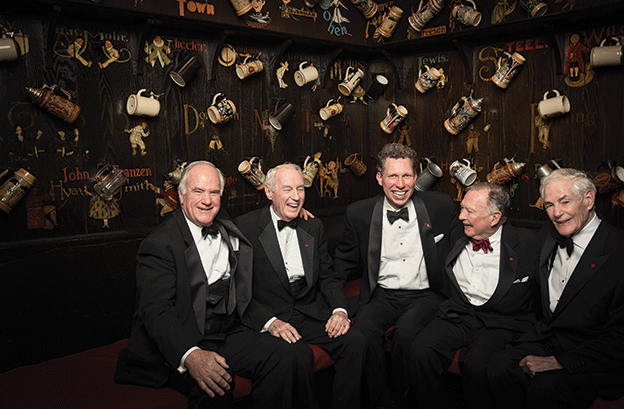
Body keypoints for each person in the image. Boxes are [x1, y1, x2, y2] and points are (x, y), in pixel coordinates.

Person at [115, 161, 312, 409]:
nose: (207, 200)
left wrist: (295, 212)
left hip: (227, 331)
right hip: (182, 338)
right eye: (198, 191)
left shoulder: (225, 224)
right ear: (181, 195)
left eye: (214, 192)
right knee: (215, 390)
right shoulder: (160, 244)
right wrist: (191, 355)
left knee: (290, 354)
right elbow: (156, 312)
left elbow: (265, 223)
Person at [487, 168, 624, 408]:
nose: (557, 213)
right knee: (496, 366)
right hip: (550, 337)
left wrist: (561, 361)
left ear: (589, 199)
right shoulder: (548, 234)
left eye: (565, 202)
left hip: (594, 353)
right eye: (549, 205)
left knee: (546, 388)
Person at [334, 143, 463, 407]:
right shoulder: (358, 213)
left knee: (406, 333)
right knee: (363, 334)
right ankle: (382, 400)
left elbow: (471, 235)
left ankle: (404, 398)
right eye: (392, 176)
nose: (400, 184)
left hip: (426, 295)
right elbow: (341, 265)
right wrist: (338, 307)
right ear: (379, 178)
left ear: (416, 176)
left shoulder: (440, 206)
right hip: (381, 295)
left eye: (407, 176)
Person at [235, 163, 369, 409]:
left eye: (300, 189)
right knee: (298, 356)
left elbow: (328, 276)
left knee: (356, 341)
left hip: (309, 311)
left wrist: (339, 310)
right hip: (273, 316)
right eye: (287, 189)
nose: (296, 197)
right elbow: (238, 289)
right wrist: (269, 322)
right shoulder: (245, 228)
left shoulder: (312, 225)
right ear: (268, 192)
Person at [408, 182, 539, 409]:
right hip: (459, 312)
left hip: (500, 321)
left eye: (469, 211)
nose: (461, 217)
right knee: (420, 350)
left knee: (477, 365)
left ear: (494, 218)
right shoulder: (456, 233)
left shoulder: (528, 243)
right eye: (462, 209)